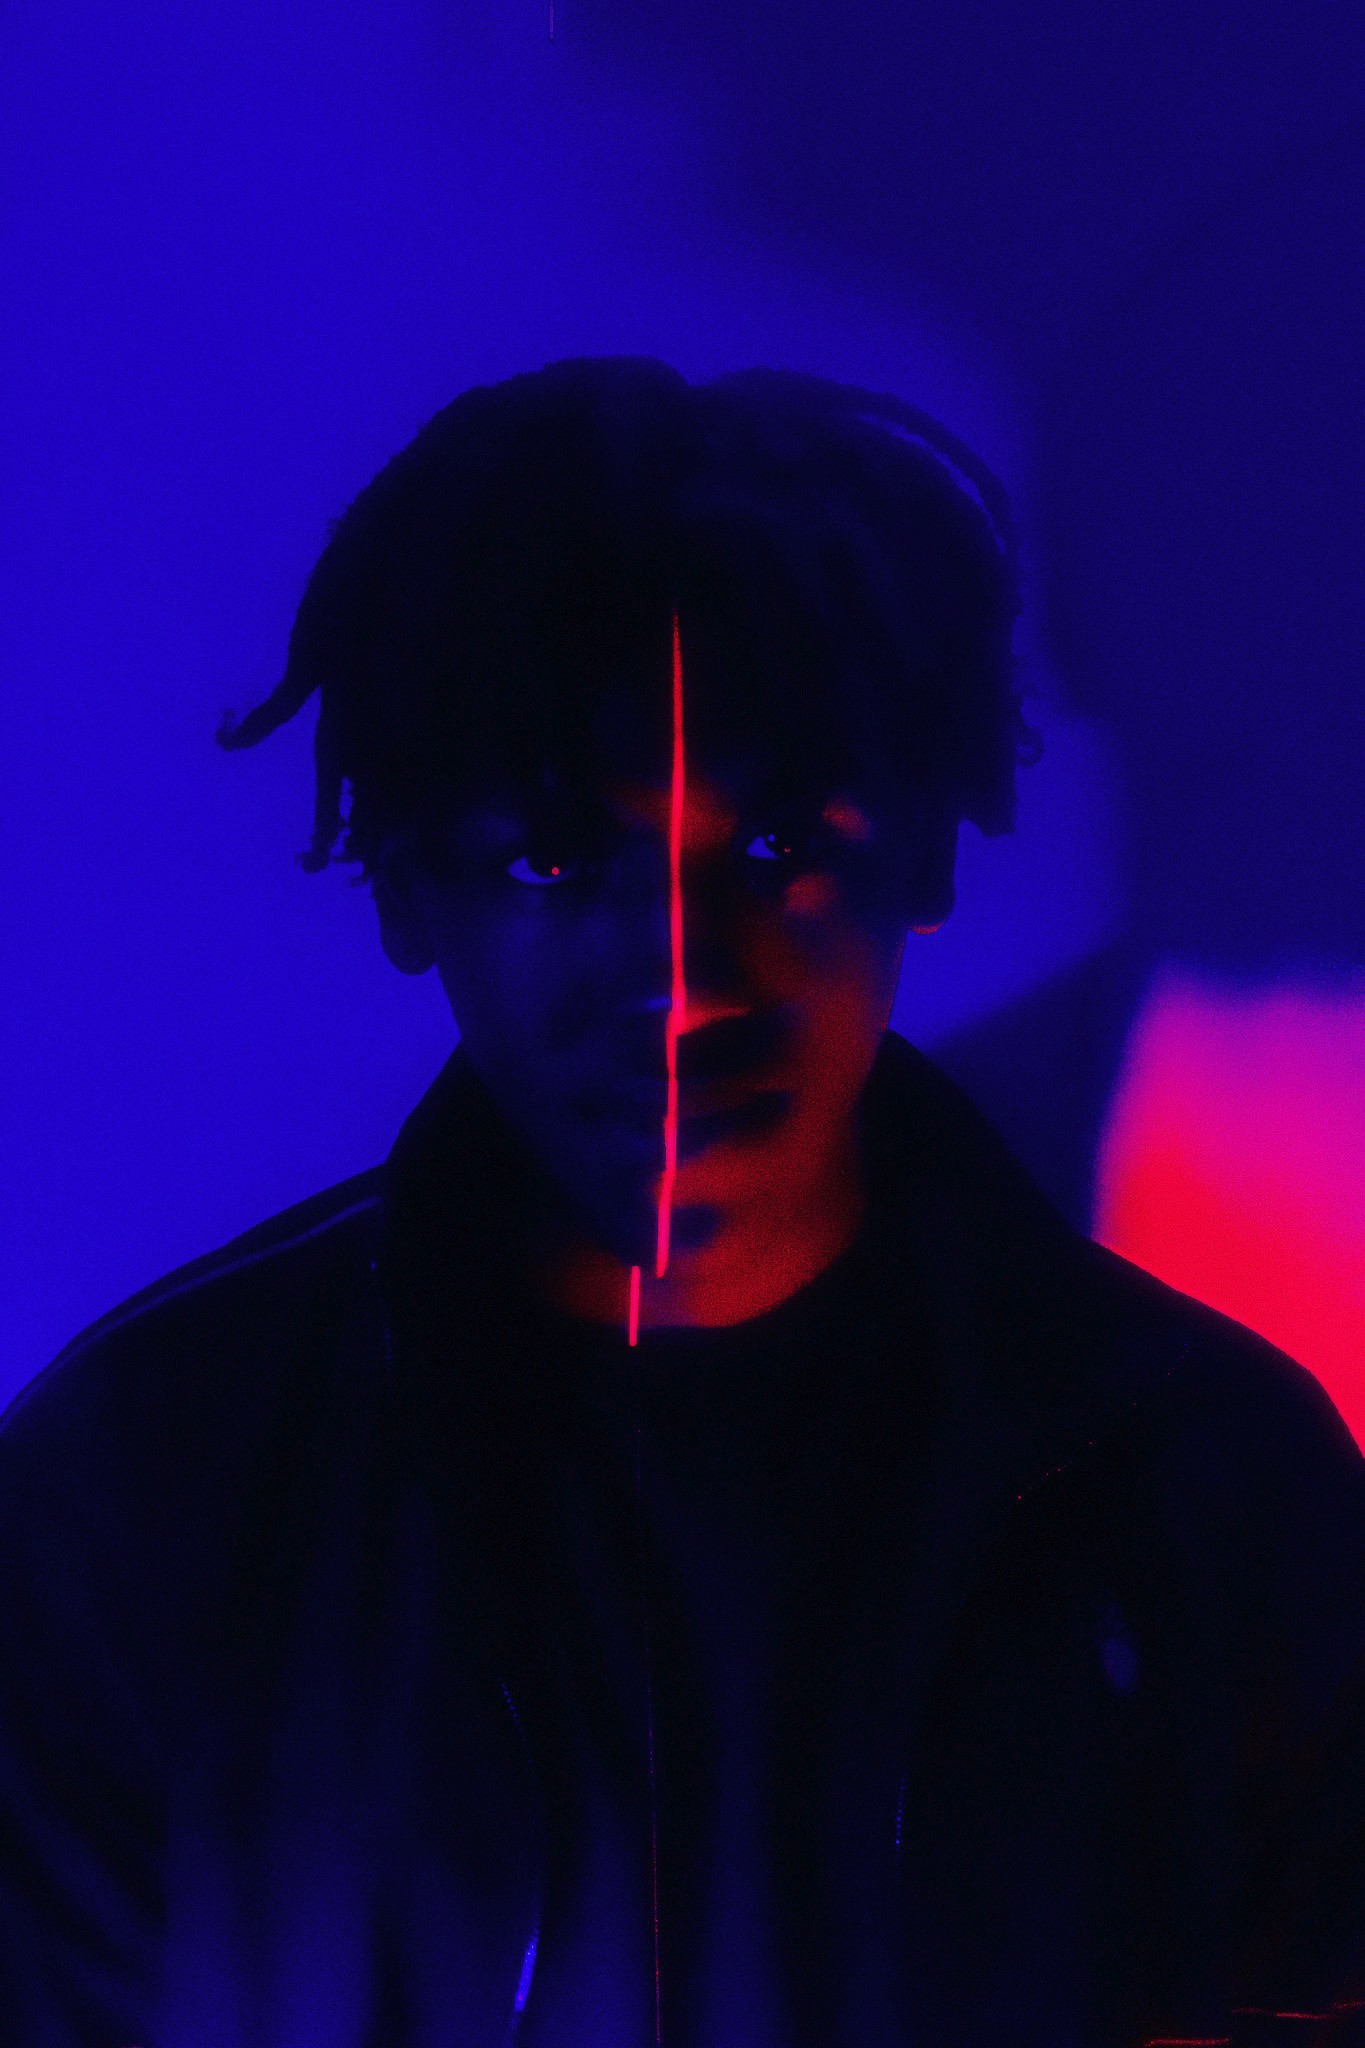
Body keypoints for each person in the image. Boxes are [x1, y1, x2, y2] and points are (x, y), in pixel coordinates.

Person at [1, 356, 1361, 2047]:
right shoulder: (143, 1494)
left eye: (782, 845)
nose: (682, 979)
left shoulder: (1214, 1488)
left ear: (927, 849)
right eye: (553, 860)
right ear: (409, 890)